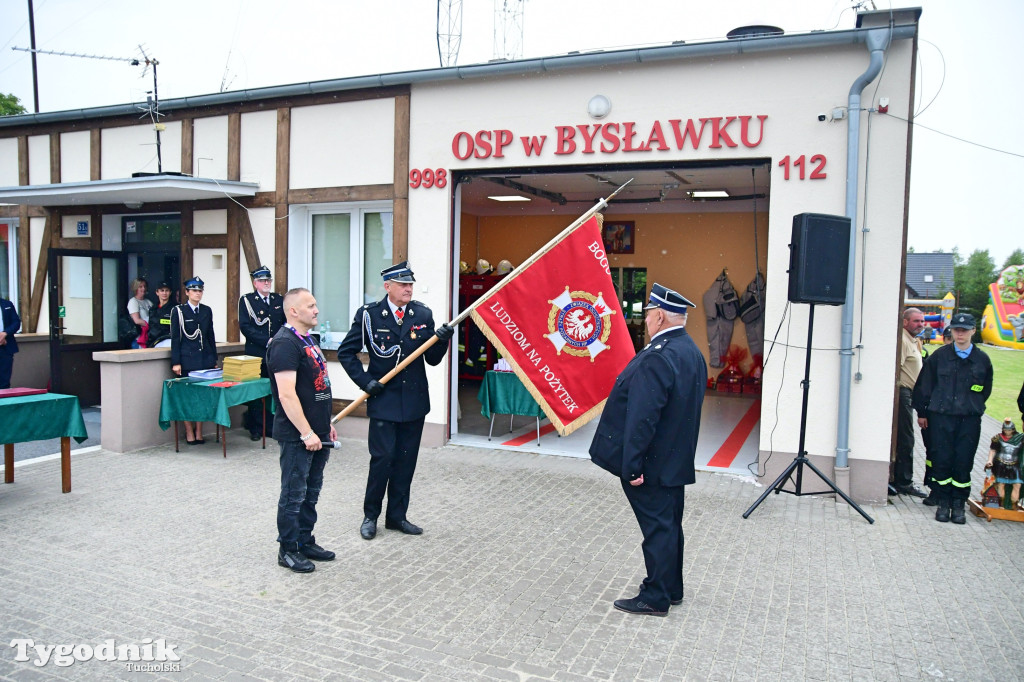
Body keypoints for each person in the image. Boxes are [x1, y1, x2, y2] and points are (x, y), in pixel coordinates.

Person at [589, 283, 707, 616]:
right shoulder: (690, 352)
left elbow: (643, 418)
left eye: (648, 315)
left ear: (657, 317)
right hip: (674, 459)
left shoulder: (660, 356)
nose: (646, 321)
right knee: (669, 525)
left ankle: (655, 595)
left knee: (658, 528)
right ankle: (672, 587)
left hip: (652, 464)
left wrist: (632, 467)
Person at [337, 261, 454, 540]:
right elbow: (346, 352)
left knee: (405, 461)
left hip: (413, 403)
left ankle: (397, 517)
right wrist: (365, 382)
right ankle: (370, 516)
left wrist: (442, 341)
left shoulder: (422, 313)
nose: (408, 288)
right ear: (387, 287)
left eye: (410, 284)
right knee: (382, 460)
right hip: (383, 400)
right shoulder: (369, 315)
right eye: (403, 284)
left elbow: (433, 360)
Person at [267, 288, 337, 573]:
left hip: (317, 431)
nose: (317, 310)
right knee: (294, 493)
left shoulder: (306, 338)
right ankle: (288, 549)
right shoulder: (284, 344)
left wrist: (325, 425)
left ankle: (305, 540)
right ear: (293, 311)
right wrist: (307, 433)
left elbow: (316, 387)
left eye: (316, 304)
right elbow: (286, 395)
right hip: (298, 435)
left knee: (311, 491)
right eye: (310, 305)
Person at [913, 312, 993, 524]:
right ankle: (944, 501)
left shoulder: (982, 360)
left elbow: (985, 390)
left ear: (973, 331)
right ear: (952, 331)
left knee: (963, 460)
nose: (960, 334)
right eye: (957, 330)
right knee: (942, 459)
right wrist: (922, 412)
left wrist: (972, 406)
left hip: (969, 419)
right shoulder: (940, 356)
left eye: (965, 330)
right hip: (942, 418)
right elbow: (924, 386)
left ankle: (959, 503)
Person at [238, 265, 285, 441]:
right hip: (256, 354)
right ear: (255, 283)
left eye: (268, 280)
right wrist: (267, 341)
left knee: (273, 391)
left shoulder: (278, 299)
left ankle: (271, 427)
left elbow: (284, 323)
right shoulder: (247, 301)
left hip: (276, 354)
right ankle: (256, 428)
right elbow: (245, 326)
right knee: (256, 393)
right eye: (262, 280)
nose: (266, 283)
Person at [170, 277, 217, 445]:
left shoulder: (206, 310)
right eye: (194, 290)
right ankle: (189, 430)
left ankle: (199, 431)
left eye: (200, 290)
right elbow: (176, 338)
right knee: (187, 397)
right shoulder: (179, 311)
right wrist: (176, 362)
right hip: (187, 360)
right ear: (187, 292)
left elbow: (210, 335)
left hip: (205, 360)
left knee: (202, 397)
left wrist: (214, 358)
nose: (198, 293)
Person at [891, 307, 928, 498]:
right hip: (903, 392)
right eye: (916, 321)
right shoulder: (903, 341)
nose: (921, 324)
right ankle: (904, 482)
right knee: (906, 438)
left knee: (907, 438)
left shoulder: (914, 341)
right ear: (905, 322)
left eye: (922, 321)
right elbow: (896, 369)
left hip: (911, 393)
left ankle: (901, 480)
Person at [918, 325, 953, 506]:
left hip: (955, 417)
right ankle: (934, 489)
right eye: (949, 339)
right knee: (934, 454)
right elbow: (923, 388)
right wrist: (922, 412)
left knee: (954, 456)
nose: (952, 343)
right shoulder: (936, 359)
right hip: (934, 415)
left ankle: (949, 492)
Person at [984, 418, 1023, 510]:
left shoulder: (1020, 438)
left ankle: (1014, 506)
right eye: (1005, 429)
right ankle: (1001, 505)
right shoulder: (997, 438)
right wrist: (989, 460)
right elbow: (993, 450)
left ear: (1013, 429)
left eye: (1009, 430)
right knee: (1001, 484)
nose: (1007, 431)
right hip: (1001, 464)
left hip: (1014, 465)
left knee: (1017, 485)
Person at [147, 281, 176, 348]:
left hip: (168, 341)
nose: (164, 293)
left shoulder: (175, 308)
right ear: (157, 292)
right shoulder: (153, 309)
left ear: (170, 292)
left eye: (167, 290)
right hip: (154, 342)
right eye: (162, 290)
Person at [0, 296, 20, 389]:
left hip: (6, 348)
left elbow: (16, 323)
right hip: (3, 343)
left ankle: (4, 403)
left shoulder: (7, 304)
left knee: (4, 381)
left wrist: (5, 333)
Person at [127, 278, 152, 349]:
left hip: (148, 336)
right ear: (135, 288)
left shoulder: (148, 302)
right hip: (139, 338)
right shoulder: (133, 301)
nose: (143, 288)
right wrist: (152, 324)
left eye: (144, 286)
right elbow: (136, 320)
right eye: (140, 287)